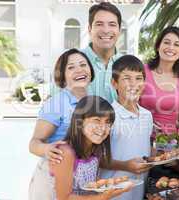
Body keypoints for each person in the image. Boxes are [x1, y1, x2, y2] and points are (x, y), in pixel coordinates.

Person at [28, 49, 95, 199]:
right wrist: (46, 149)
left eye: (83, 65)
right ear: (62, 76)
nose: (79, 70)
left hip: (81, 177)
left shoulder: (93, 102)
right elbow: (33, 143)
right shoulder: (57, 103)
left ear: (90, 70)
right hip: (52, 177)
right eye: (71, 67)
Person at [49, 95, 132, 199]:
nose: (103, 128)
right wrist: (102, 197)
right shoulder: (65, 152)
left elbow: (88, 186)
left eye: (107, 122)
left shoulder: (94, 150)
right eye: (97, 120)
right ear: (80, 121)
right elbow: (64, 197)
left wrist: (112, 184)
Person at [100, 55, 153, 200]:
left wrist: (163, 155)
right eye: (126, 78)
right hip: (113, 194)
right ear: (114, 83)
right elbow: (97, 158)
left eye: (138, 78)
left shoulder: (147, 115)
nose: (133, 84)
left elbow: (144, 148)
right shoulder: (107, 116)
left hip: (138, 191)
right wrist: (125, 166)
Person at [139, 26, 179, 137]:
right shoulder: (142, 72)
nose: (170, 47)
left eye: (176, 45)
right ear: (158, 46)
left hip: (174, 142)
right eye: (166, 42)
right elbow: (130, 106)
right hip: (143, 138)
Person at [82, 2, 123, 103]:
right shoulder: (71, 61)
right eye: (99, 24)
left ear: (119, 30)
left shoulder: (128, 64)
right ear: (89, 29)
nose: (106, 30)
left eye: (112, 24)